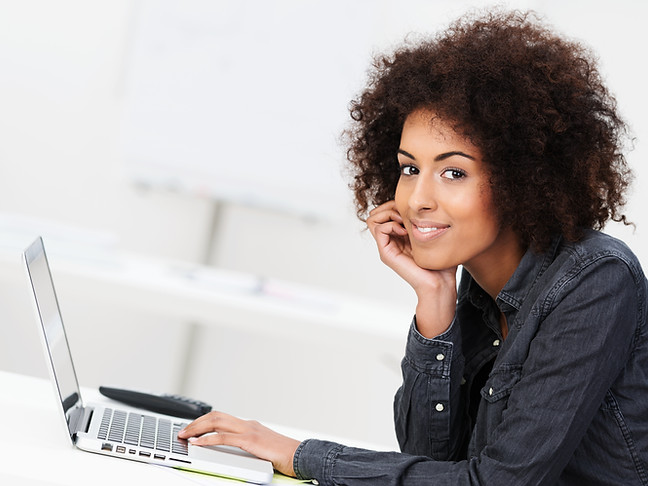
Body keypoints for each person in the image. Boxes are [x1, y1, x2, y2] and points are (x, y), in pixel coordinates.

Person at [178, 9, 648, 485]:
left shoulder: (596, 279)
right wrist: (435, 301)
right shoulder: (475, 285)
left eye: (454, 172)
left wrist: (298, 454)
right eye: (409, 168)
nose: (419, 199)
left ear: (521, 179)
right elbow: (433, 462)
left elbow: (497, 482)